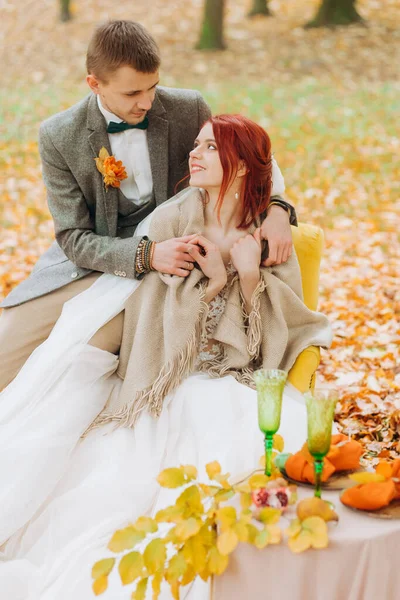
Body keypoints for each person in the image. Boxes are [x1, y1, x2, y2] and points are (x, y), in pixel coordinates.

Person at [0, 114, 331, 600]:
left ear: (239, 167)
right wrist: (215, 283)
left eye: (209, 148)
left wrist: (249, 279)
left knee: (232, 436)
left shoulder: (267, 237)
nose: (193, 155)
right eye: (195, 145)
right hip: (164, 375)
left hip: (230, 381)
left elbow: (267, 345)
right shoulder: (175, 219)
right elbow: (154, 313)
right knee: (120, 471)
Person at [0, 20, 296, 392]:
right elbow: (73, 238)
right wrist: (146, 255)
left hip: (173, 271)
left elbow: (245, 159)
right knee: (6, 350)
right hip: (96, 262)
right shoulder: (60, 135)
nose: (147, 102)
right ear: (95, 84)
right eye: (132, 93)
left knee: (79, 359)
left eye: (153, 87)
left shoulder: (187, 109)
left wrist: (279, 208)